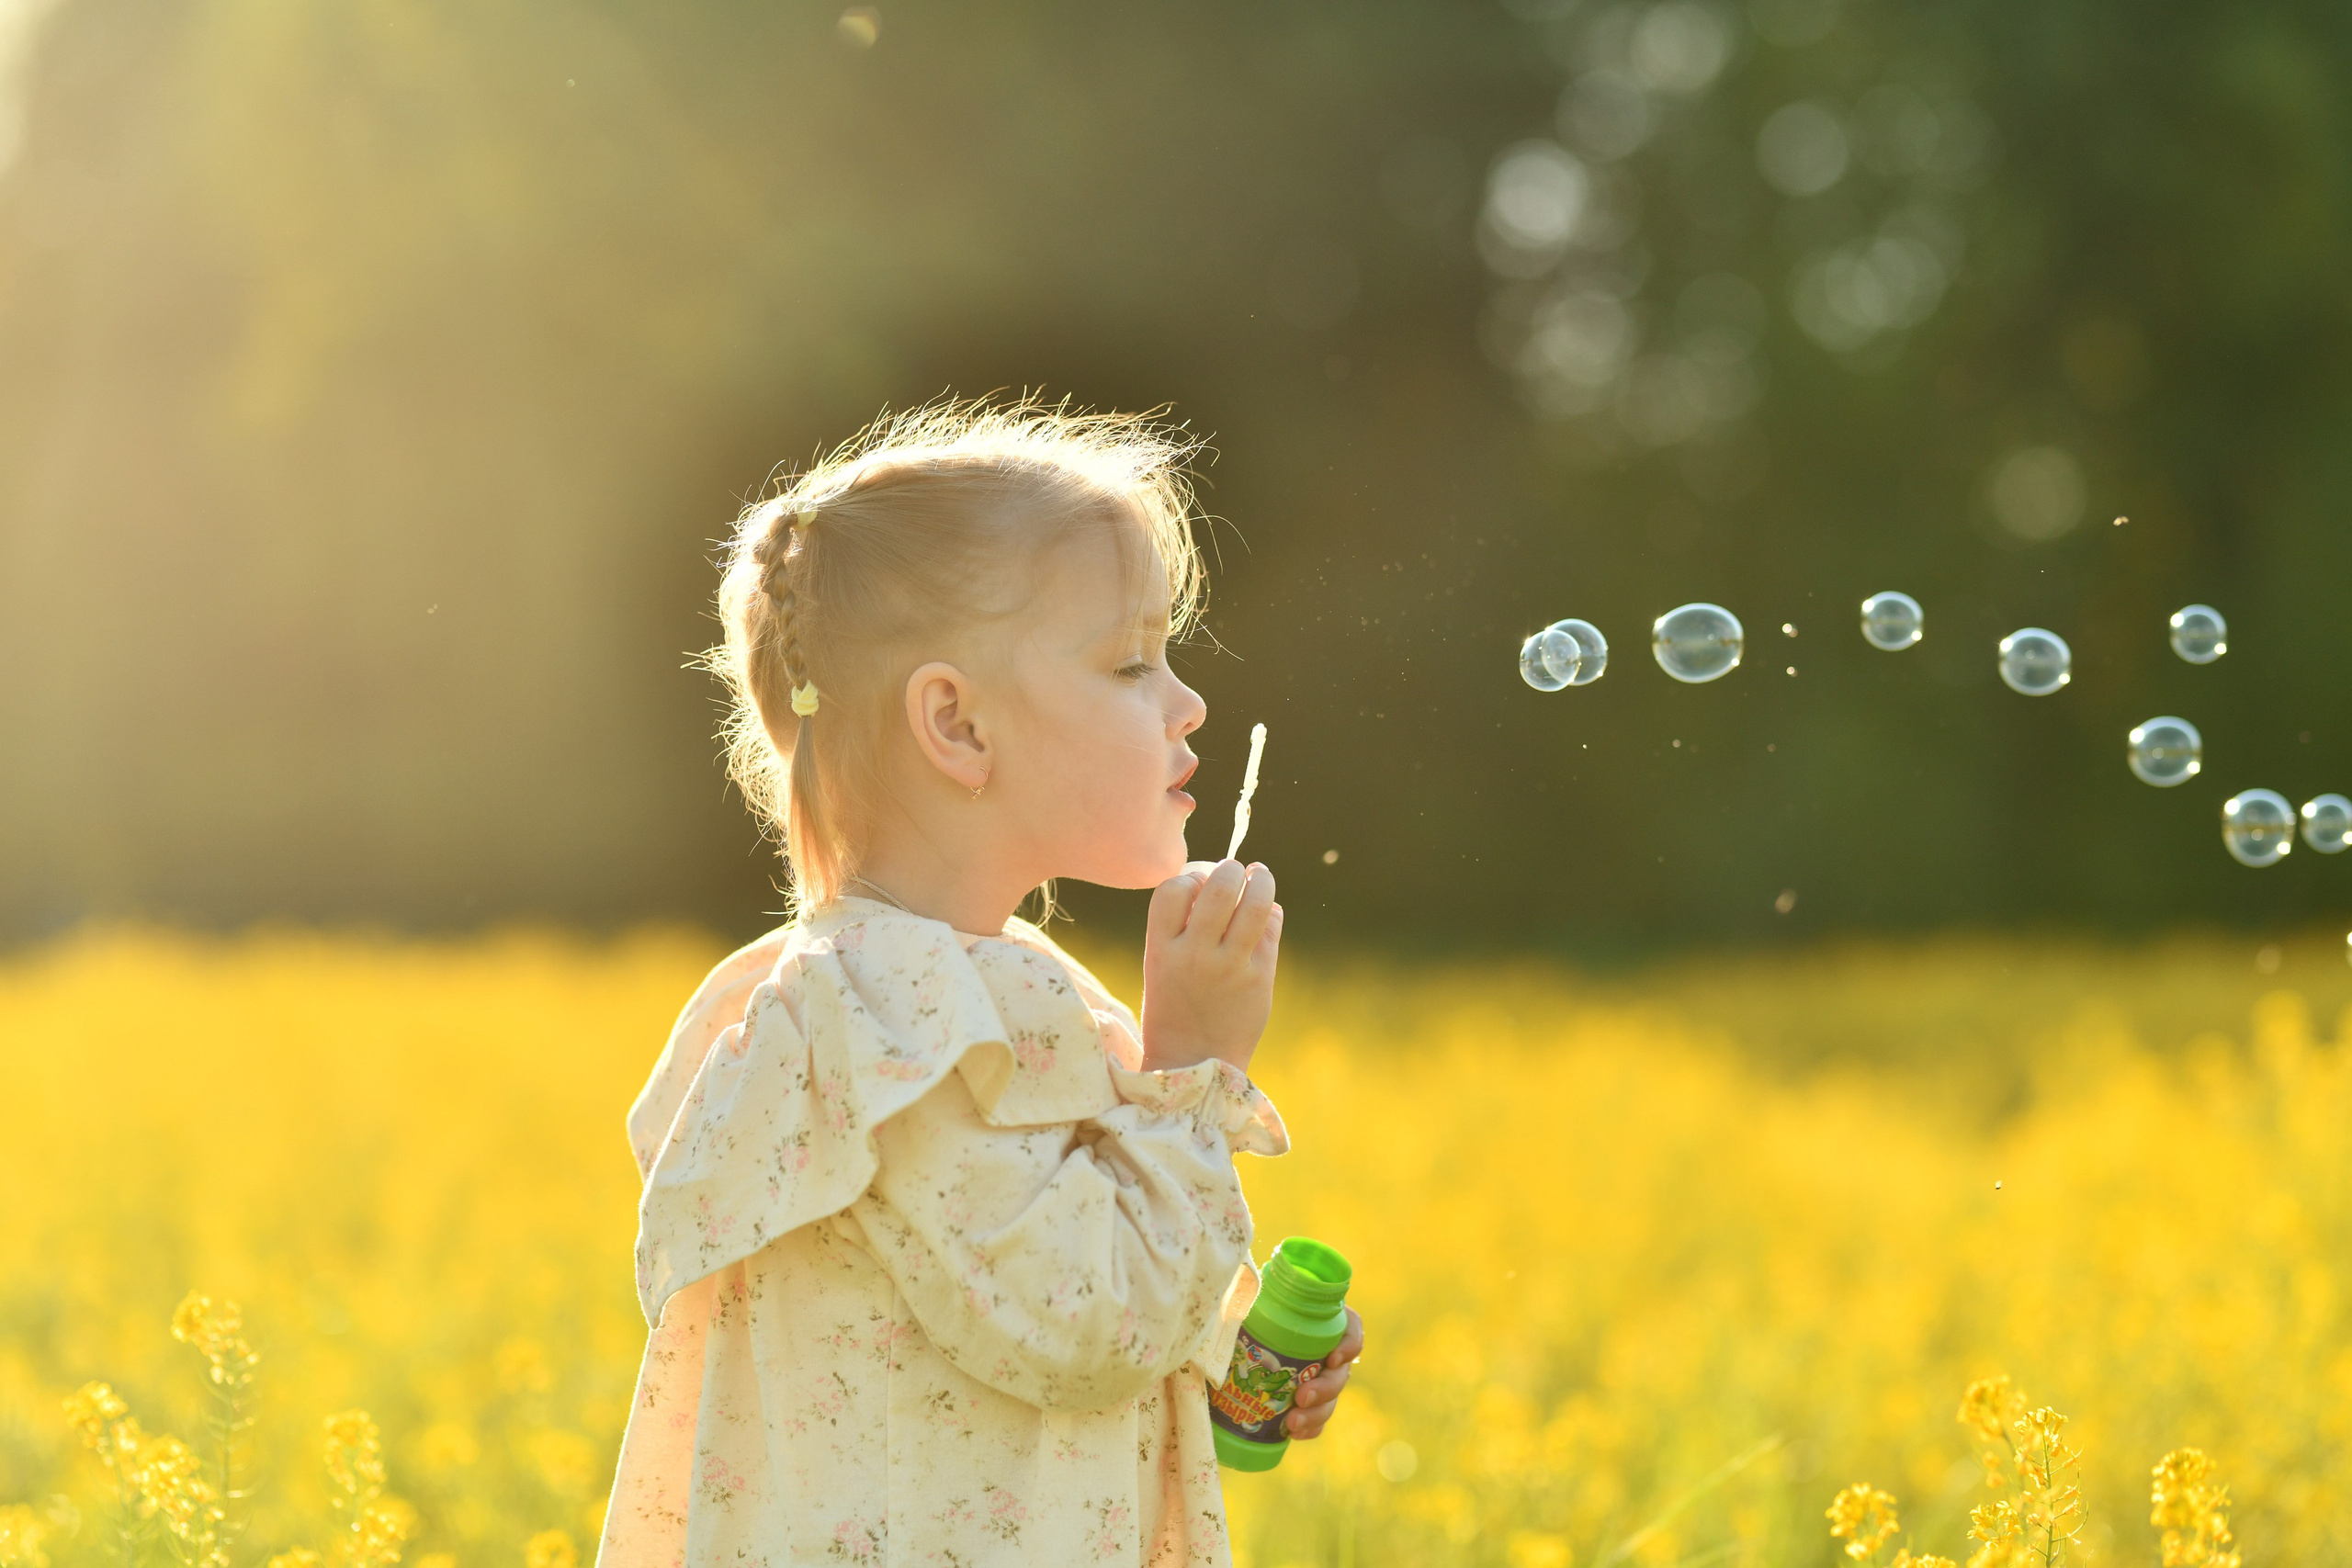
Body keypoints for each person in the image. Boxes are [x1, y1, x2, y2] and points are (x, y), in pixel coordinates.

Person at [596, 400, 1363, 1567]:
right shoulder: (892, 1028)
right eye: (1128, 662)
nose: (1186, 702)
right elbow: (1085, 1324)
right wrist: (1196, 1069)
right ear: (956, 724)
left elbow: (1032, 1309)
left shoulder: (979, 997)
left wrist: (1230, 1360)